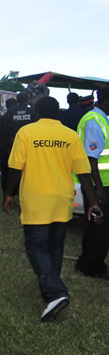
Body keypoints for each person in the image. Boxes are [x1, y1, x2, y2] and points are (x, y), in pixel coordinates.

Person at [4, 96, 99, 321]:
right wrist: (93, 201)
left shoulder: (26, 132)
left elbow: (15, 167)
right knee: (55, 247)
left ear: (37, 112)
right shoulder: (70, 135)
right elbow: (84, 172)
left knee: (36, 247)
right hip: (62, 200)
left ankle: (56, 292)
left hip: (36, 200)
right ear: (58, 113)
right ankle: (52, 295)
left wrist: (9, 193)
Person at [75, 88, 109, 277]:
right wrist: (100, 190)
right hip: (99, 185)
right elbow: (91, 159)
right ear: (104, 100)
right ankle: (92, 266)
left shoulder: (102, 119)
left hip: (101, 183)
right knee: (99, 227)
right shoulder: (94, 121)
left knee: (95, 225)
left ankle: (86, 262)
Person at [0, 92, 33, 195]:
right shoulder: (33, 111)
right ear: (27, 100)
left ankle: (9, 194)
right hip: (31, 147)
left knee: (12, 171)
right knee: (28, 172)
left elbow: (6, 130)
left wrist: (6, 147)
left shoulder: (10, 112)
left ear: (17, 100)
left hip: (14, 146)